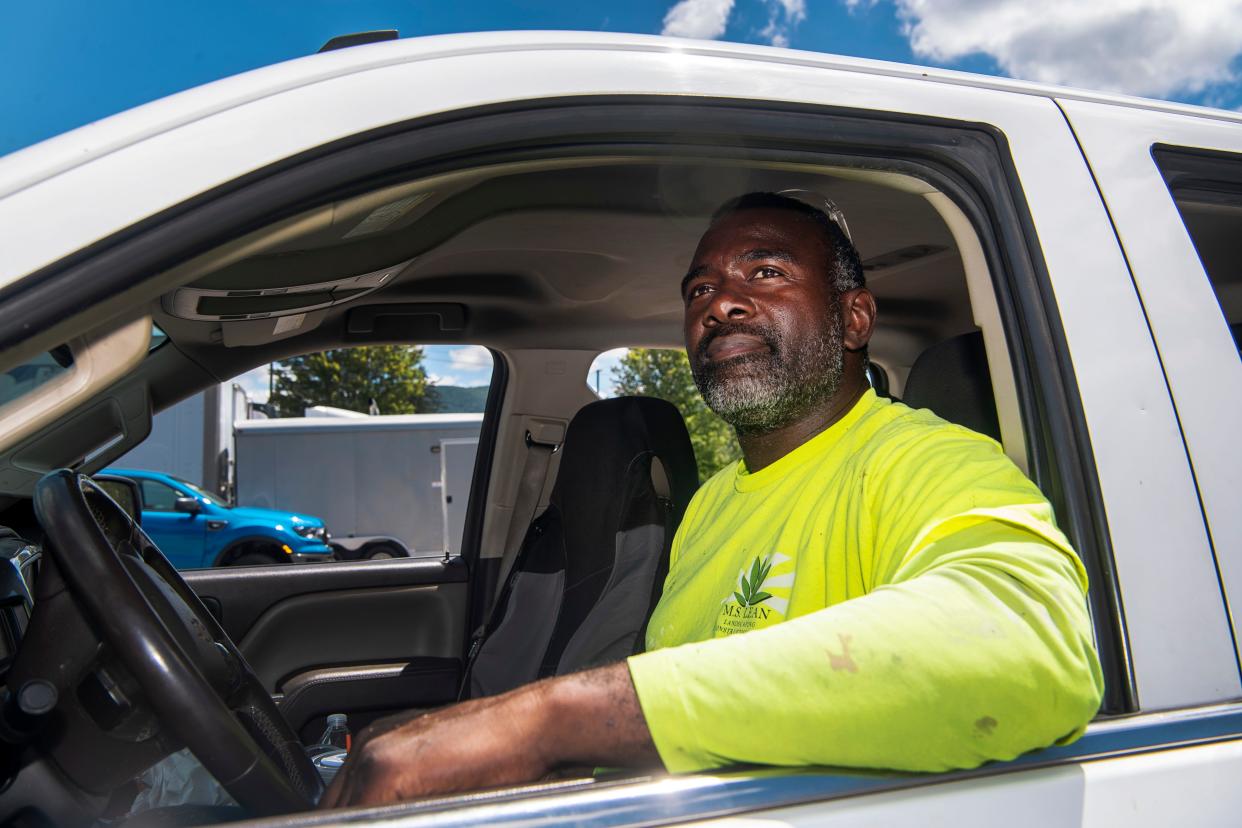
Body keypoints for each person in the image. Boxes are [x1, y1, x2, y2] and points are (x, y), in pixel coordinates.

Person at [320, 192, 1103, 809]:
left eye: (764, 274)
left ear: (855, 318)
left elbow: (1032, 649)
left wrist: (547, 722)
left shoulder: (920, 460)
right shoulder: (712, 504)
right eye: (702, 287)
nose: (718, 304)